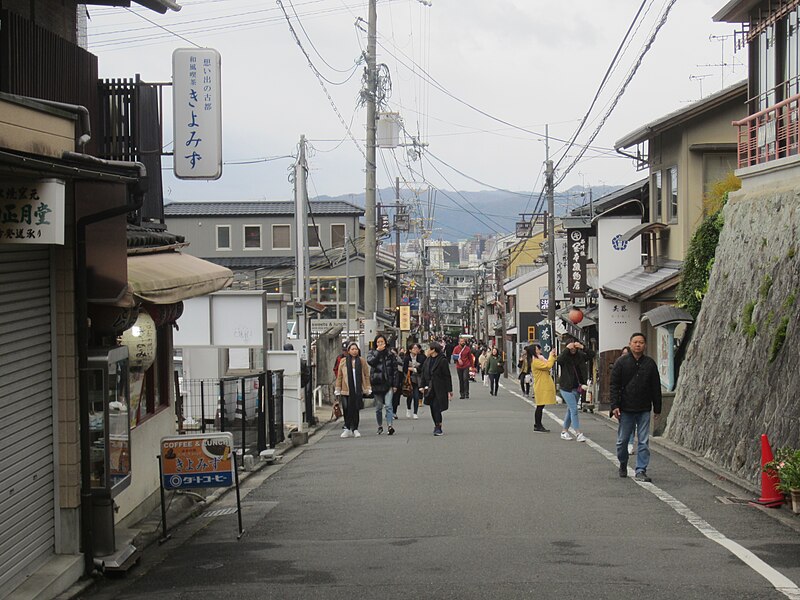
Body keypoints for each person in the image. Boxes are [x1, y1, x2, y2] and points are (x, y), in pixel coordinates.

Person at [610, 332, 662, 482]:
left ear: (645, 345)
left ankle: (641, 469)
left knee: (643, 440)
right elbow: (614, 385)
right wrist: (615, 405)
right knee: (622, 440)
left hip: (644, 408)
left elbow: (655, 387)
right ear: (630, 344)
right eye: (635, 342)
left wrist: (657, 408)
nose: (638, 345)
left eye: (641, 342)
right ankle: (623, 462)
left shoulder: (650, 364)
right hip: (625, 408)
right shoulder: (621, 362)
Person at [557, 337, 595, 442]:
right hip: (566, 387)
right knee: (574, 409)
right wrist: (566, 349)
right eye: (571, 347)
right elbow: (559, 360)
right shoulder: (565, 357)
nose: (573, 349)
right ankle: (578, 433)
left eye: (575, 347)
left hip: (577, 387)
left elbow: (592, 355)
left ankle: (564, 431)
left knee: (570, 410)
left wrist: (583, 347)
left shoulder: (580, 356)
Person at [334, 342, 371, 438]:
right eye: (352, 349)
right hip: (346, 389)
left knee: (355, 409)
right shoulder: (343, 361)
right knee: (346, 408)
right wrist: (337, 388)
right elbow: (340, 376)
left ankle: (355, 428)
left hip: (357, 389)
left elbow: (367, 375)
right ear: (348, 351)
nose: (354, 351)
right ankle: (347, 427)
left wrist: (367, 387)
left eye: (356, 349)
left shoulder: (362, 361)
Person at [367, 334, 400, 435]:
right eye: (378, 342)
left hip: (388, 383)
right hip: (377, 383)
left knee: (389, 405)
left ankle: (390, 426)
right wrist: (378, 352)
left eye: (382, 342)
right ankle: (380, 426)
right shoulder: (372, 353)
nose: (380, 344)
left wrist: (395, 385)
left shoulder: (390, 354)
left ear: (385, 343)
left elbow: (395, 370)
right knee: (378, 407)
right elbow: (371, 362)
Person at [420, 341, 453, 436]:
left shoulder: (442, 360)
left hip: (440, 388)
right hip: (429, 388)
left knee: (436, 407)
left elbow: (447, 376)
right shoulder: (427, 360)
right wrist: (421, 386)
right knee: (432, 407)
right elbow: (423, 373)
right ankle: (436, 424)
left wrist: (449, 390)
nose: (427, 350)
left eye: (429, 348)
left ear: (433, 350)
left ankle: (438, 426)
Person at [530, 344, 557, 432]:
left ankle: (538, 424)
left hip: (542, 385)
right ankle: (537, 425)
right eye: (537, 349)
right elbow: (548, 366)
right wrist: (550, 356)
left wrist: (553, 356)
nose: (539, 350)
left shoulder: (538, 359)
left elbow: (549, 363)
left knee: (540, 406)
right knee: (540, 406)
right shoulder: (535, 361)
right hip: (541, 385)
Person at [401, 343, 426, 419]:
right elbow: (404, 369)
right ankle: (408, 409)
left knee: (416, 396)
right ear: (410, 350)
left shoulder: (422, 357)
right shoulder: (407, 358)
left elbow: (423, 368)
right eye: (414, 348)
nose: (416, 349)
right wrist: (409, 370)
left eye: (417, 348)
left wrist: (414, 369)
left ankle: (415, 412)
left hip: (418, 379)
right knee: (410, 395)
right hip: (409, 379)